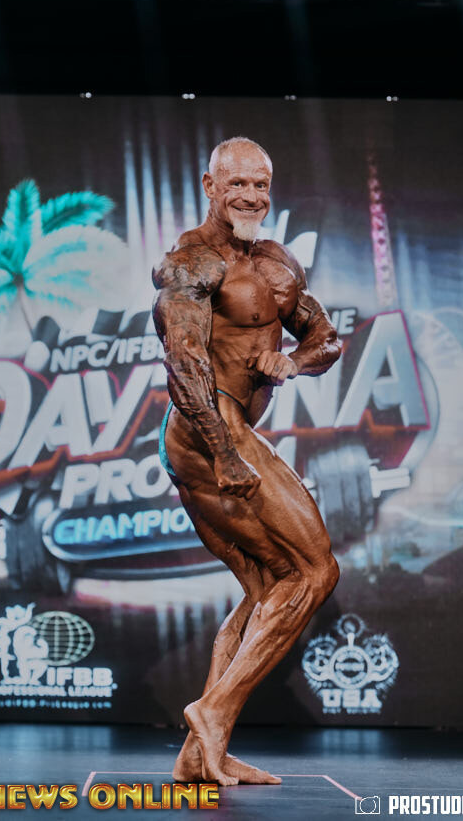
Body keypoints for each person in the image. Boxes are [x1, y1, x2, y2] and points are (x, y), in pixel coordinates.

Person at [152, 137, 342, 787]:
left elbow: (325, 337)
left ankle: (199, 753)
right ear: (210, 186)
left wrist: (293, 361)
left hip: (220, 435)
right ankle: (213, 710)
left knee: (269, 586)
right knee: (316, 570)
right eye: (237, 184)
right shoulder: (191, 263)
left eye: (260, 185)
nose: (251, 197)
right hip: (207, 432)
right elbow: (184, 367)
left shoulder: (277, 263)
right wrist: (227, 454)